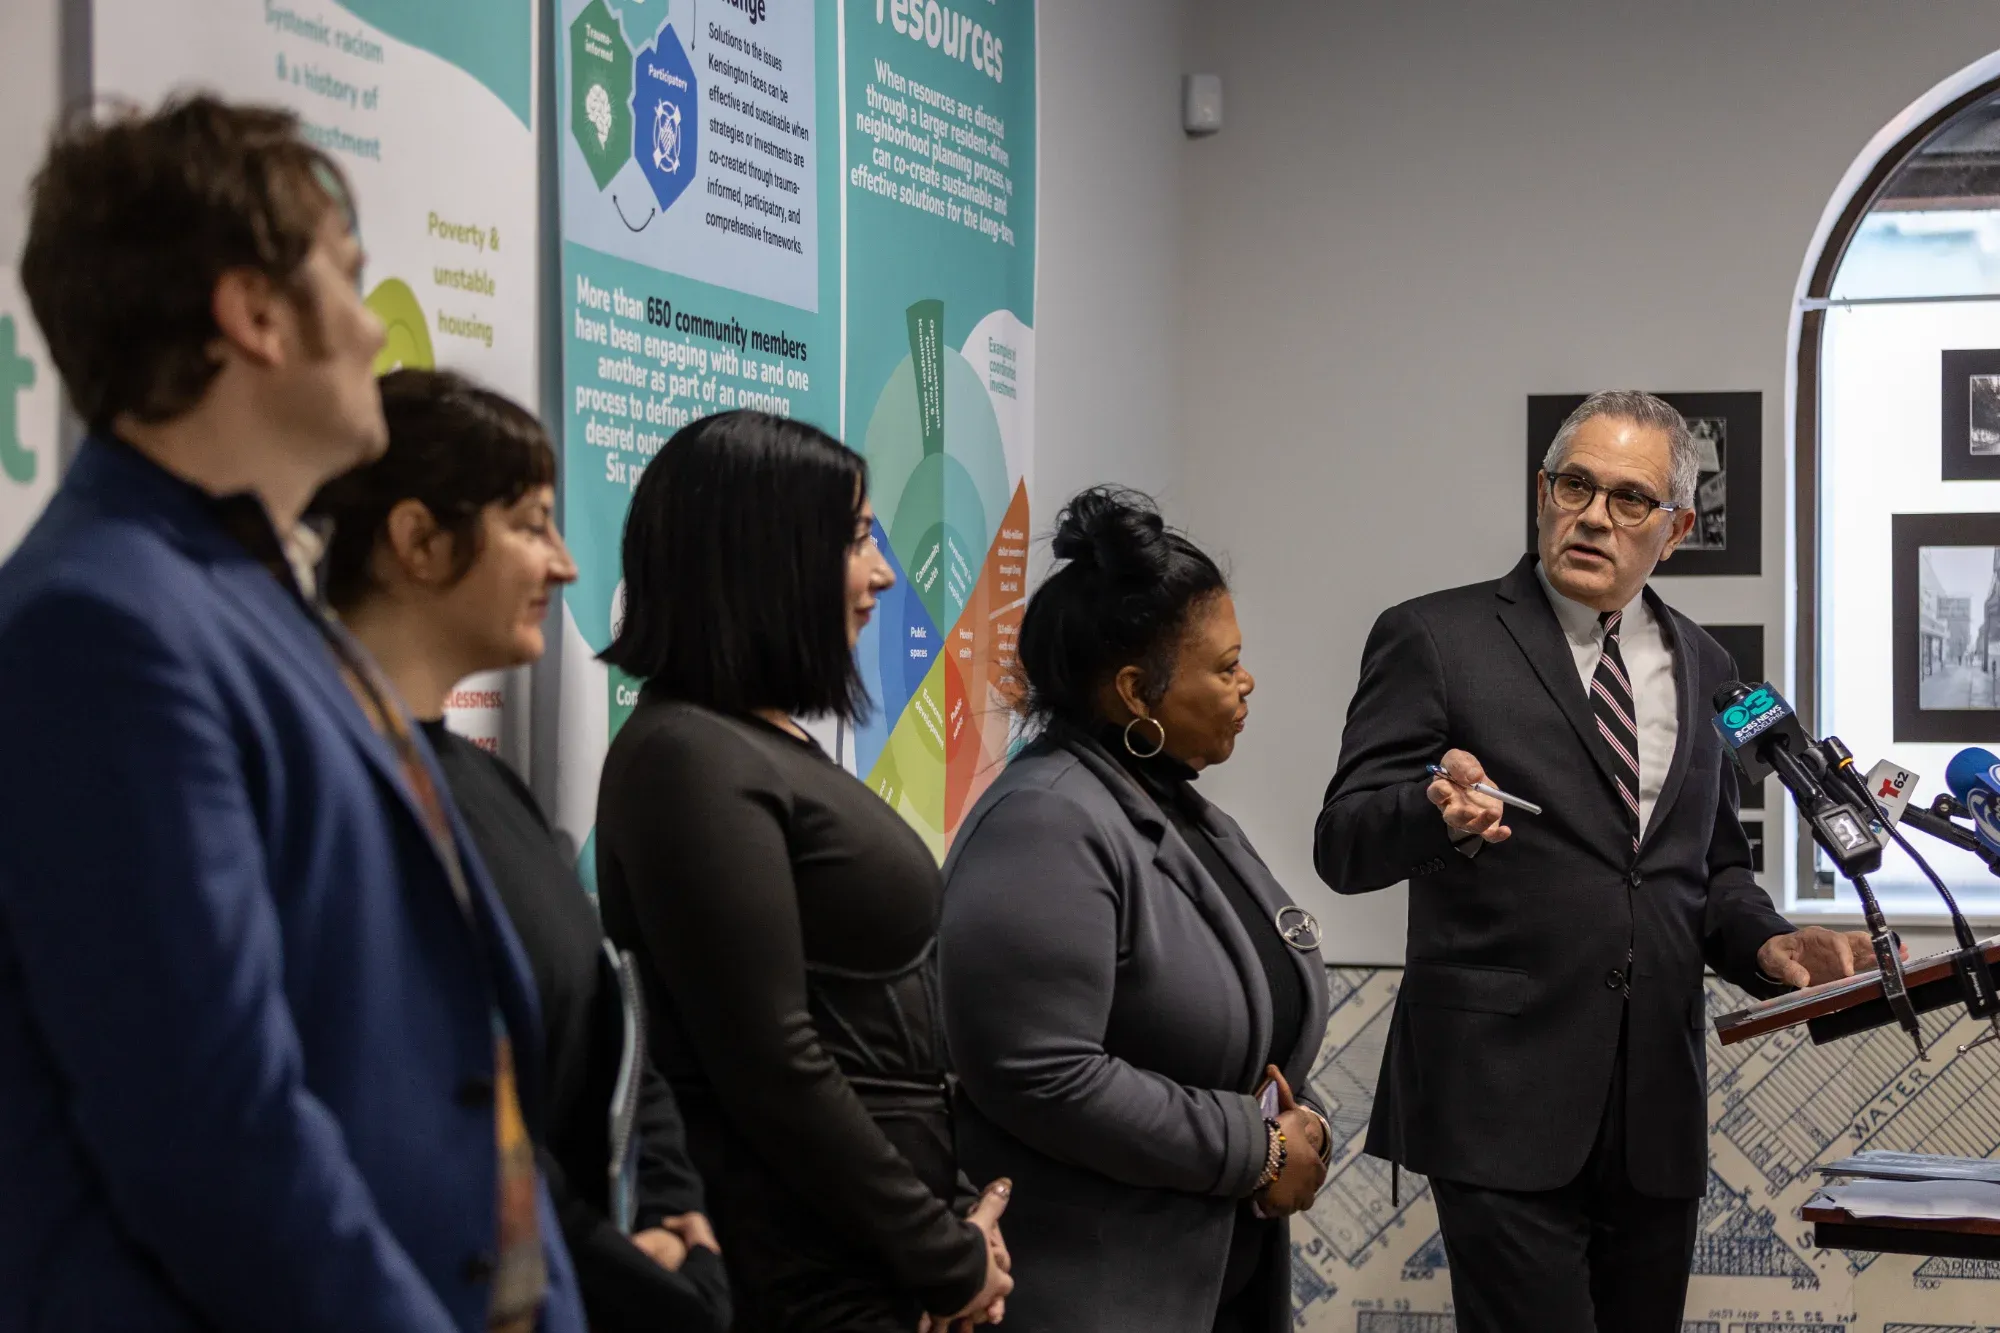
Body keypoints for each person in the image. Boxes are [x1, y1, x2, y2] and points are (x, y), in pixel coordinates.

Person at [0, 97, 583, 1332]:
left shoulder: (250, 597)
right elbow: (209, 1121)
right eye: (349, 278)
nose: (372, 326)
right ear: (254, 314)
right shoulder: (102, 623)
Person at [1315, 390, 1892, 1333]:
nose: (1593, 516)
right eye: (1574, 486)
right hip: (1497, 1097)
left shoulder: (1708, 666)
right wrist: (1435, 813)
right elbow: (1342, 839)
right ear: (1541, 491)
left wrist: (1773, 947)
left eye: (1629, 499)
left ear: (1677, 529)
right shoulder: (1436, 637)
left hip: (1655, 1111)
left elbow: (1713, 872)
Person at [310, 367, 732, 1332]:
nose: (564, 564)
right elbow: (435, 1100)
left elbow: (615, 1026)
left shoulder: (486, 782)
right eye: (531, 524)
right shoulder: (339, 793)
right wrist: (630, 1277)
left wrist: (676, 1214)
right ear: (418, 540)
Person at [592, 410, 1013, 1333]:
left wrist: (943, 1234)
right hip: (798, 1267)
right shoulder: (687, 757)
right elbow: (771, 1061)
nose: (883, 573)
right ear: (766, 555)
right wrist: (942, 1257)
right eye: (856, 538)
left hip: (862, 1252)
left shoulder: (743, 741)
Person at [938, 487, 1332, 1333]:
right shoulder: (1045, 820)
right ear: (1135, 692)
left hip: (1209, 1281)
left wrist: (1299, 1131)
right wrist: (1257, 1147)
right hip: (1087, 1294)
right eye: (1224, 667)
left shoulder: (1176, 807)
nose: (1247, 683)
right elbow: (1042, 1073)